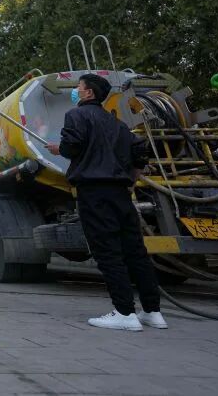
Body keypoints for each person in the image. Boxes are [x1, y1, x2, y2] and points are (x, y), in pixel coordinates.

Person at [46, 73, 166, 332]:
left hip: (94, 192)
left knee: (108, 251)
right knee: (135, 252)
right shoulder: (118, 124)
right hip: (120, 193)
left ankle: (124, 313)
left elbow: (73, 146)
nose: (76, 92)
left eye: (78, 88)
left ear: (88, 93)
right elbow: (139, 152)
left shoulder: (76, 116)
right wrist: (131, 180)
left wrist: (60, 148)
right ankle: (152, 311)